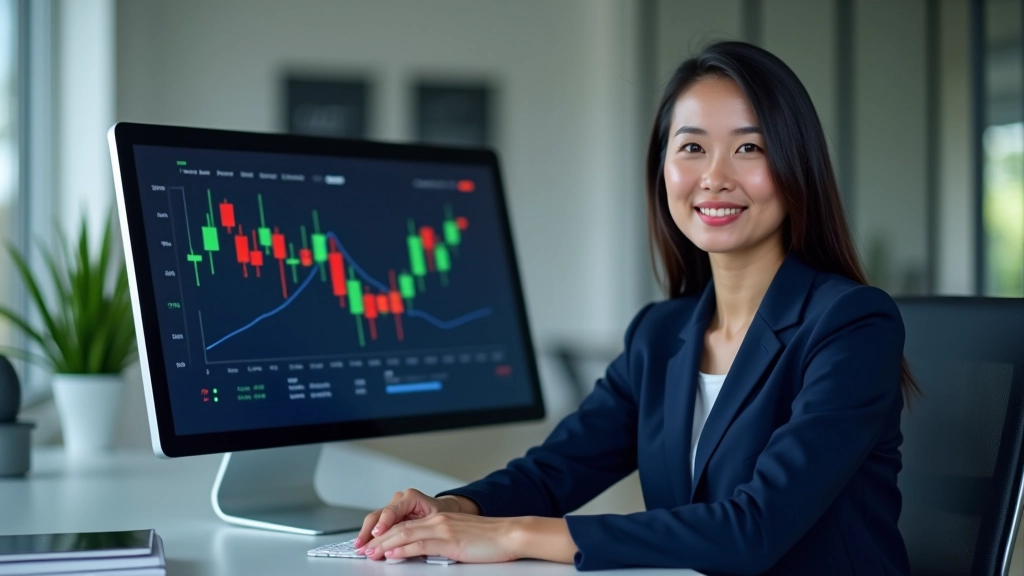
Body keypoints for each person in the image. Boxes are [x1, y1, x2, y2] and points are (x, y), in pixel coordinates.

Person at [354, 40, 916, 575]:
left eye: (750, 147)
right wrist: (454, 509)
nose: (715, 177)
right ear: (663, 170)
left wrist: (512, 535)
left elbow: (753, 530)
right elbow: (556, 471)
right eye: (692, 147)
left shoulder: (852, 325)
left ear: (796, 168)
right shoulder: (661, 333)